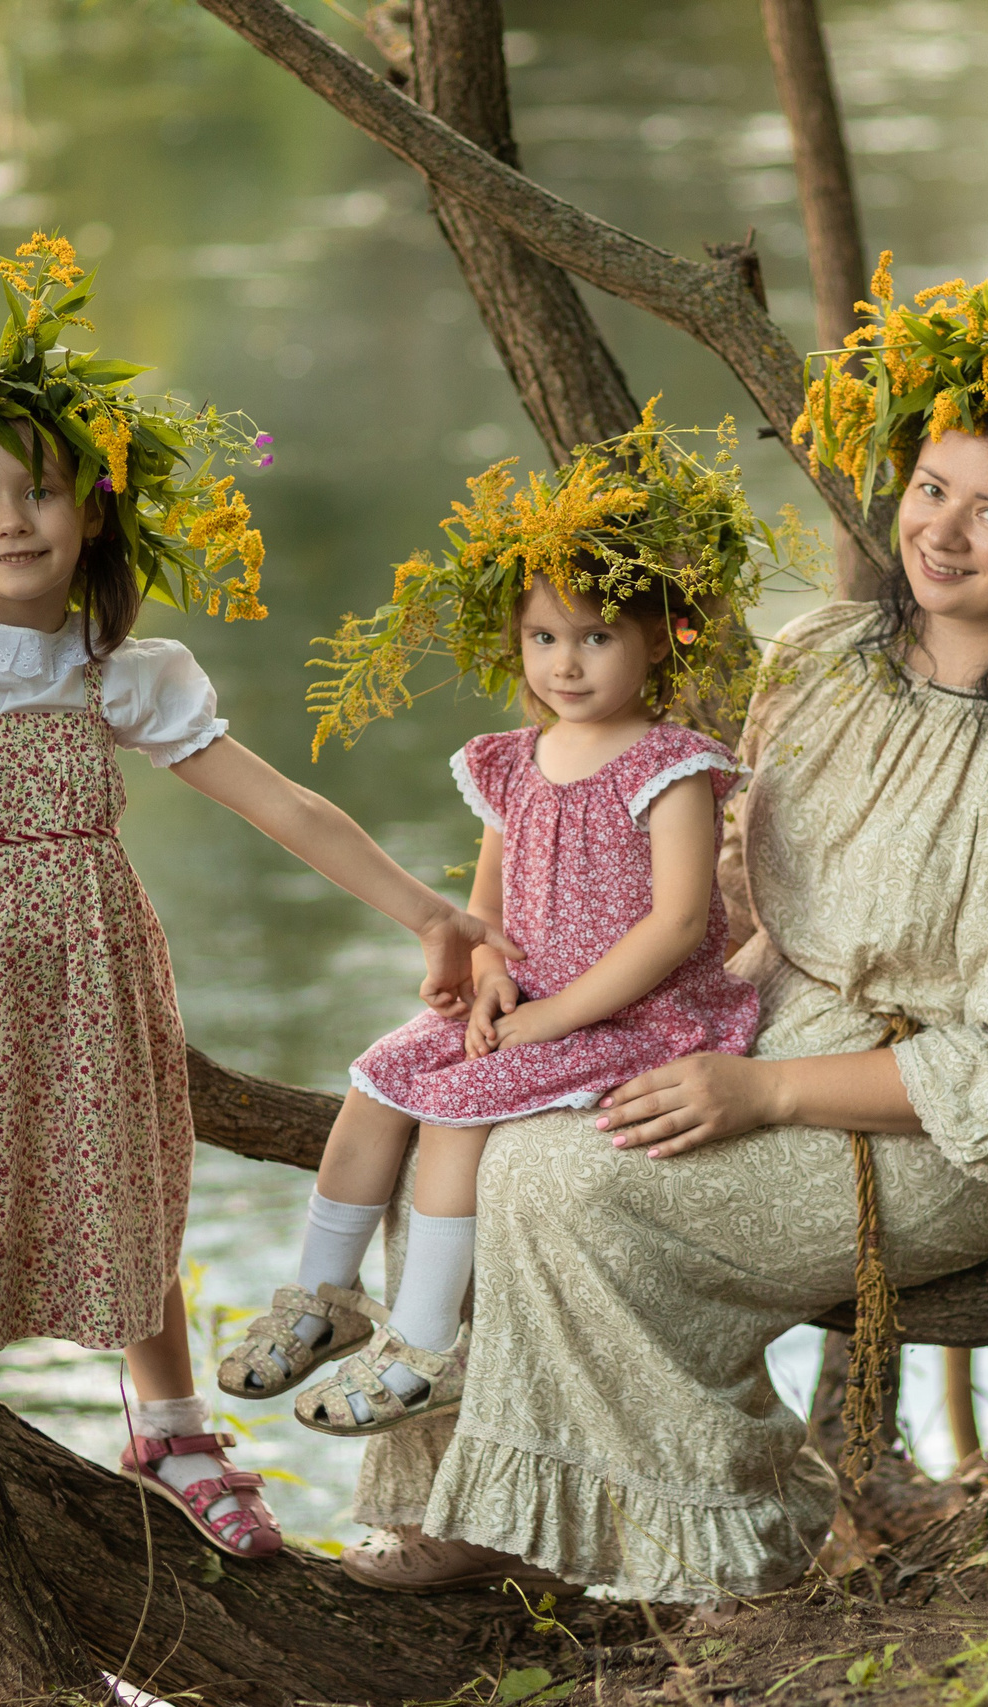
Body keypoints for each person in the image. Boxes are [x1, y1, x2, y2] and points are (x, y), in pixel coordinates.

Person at [335, 253, 988, 1605]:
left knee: (565, 1180)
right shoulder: (822, 660)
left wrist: (763, 1088)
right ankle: (469, 1493)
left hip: (925, 1123)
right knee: (476, 1106)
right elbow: (721, 897)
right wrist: (517, 966)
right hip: (755, 1011)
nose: (948, 532)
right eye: (932, 491)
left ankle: (732, 1534)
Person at [0, 233, 515, 1686]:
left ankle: (170, 1426)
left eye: (37, 488)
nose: (9, 520)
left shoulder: (126, 672)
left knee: (128, 1182)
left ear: (92, 509)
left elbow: (282, 801)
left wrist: (430, 911)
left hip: (100, 977)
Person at [216, 422, 778, 1438]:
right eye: (544, 638)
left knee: (458, 1104)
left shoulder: (669, 766)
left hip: (634, 1012)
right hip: (532, 997)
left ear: (657, 638)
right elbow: (493, 908)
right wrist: (485, 979)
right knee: (382, 1072)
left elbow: (678, 923)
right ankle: (323, 1299)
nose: (566, 663)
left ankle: (427, 1344)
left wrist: (553, 1016)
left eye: (596, 637)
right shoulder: (511, 762)